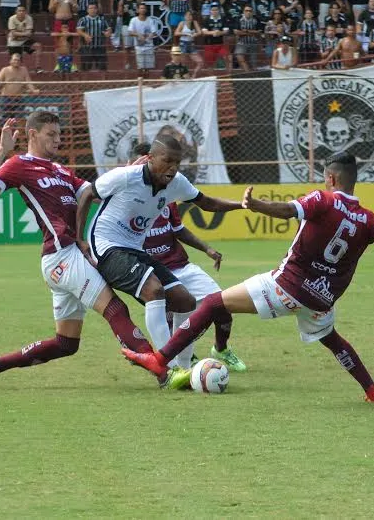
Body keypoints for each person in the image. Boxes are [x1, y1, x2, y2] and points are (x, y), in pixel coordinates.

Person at [124, 153, 374, 403]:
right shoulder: (369, 220)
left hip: (287, 287)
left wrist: (255, 204)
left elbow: (286, 211)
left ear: (330, 177)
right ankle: (373, 390)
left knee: (212, 303)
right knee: (332, 339)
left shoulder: (322, 199)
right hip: (322, 301)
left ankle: (161, 358)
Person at [0, 114, 186, 390]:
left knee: (66, 343)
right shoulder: (19, 164)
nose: (58, 139)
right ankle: (165, 372)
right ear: (32, 134)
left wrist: (131, 172)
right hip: (62, 255)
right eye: (51, 134)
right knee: (115, 308)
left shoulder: (61, 170)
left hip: (67, 259)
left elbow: (95, 192)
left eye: (59, 134)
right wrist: (1, 152)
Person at [74, 134, 247, 375]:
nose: (173, 168)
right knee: (154, 291)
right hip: (106, 245)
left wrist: (242, 205)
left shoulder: (177, 183)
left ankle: (185, 369)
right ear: (150, 158)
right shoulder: (126, 177)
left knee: (184, 300)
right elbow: (87, 195)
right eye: (167, 161)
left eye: (177, 162)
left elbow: (207, 203)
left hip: (134, 248)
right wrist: (80, 239)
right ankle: (171, 368)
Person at [129, 143, 235, 371]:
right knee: (171, 312)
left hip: (180, 266)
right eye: (140, 165)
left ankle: (221, 349)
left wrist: (207, 249)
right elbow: (95, 196)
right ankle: (179, 363)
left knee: (221, 304)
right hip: (152, 273)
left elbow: (178, 229)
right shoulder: (124, 198)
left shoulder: (168, 196)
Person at [76, 3, 112, 71]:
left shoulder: (102, 19)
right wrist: (85, 35)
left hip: (100, 47)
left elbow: (109, 29)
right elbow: (78, 30)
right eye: (90, 8)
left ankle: (103, 81)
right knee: (85, 68)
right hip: (87, 47)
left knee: (102, 68)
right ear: (87, 10)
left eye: (94, 8)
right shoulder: (83, 20)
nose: (92, 10)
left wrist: (108, 33)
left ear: (97, 9)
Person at [7, 6, 43, 72]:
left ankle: (37, 67)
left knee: (38, 46)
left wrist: (18, 35)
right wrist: (23, 34)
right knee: (17, 59)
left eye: (23, 11)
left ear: (25, 12)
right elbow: (13, 33)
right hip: (13, 42)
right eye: (19, 11)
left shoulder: (29, 18)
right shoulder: (11, 19)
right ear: (16, 12)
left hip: (25, 40)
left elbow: (28, 33)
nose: (21, 12)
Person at [128, 2, 158, 73]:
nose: (143, 10)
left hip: (149, 47)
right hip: (138, 47)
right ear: (138, 10)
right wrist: (138, 34)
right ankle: (141, 82)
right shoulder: (133, 20)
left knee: (148, 68)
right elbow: (130, 32)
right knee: (140, 68)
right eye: (141, 8)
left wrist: (150, 35)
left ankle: (147, 82)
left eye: (144, 8)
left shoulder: (150, 20)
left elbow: (154, 32)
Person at [174, 10, 203, 77]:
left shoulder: (194, 22)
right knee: (183, 62)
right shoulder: (182, 23)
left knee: (200, 62)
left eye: (190, 15)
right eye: (187, 15)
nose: (189, 17)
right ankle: (184, 76)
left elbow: (200, 32)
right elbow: (176, 33)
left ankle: (194, 74)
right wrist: (185, 34)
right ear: (184, 17)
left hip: (191, 44)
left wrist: (195, 35)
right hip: (183, 43)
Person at [234, 4, 261, 71]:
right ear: (243, 11)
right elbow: (236, 32)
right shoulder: (239, 19)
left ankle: (253, 76)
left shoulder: (256, 19)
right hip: (242, 43)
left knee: (254, 64)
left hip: (253, 43)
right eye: (246, 10)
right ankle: (247, 72)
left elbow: (259, 32)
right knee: (239, 56)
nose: (248, 12)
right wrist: (251, 33)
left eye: (250, 11)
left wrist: (246, 31)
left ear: (252, 12)